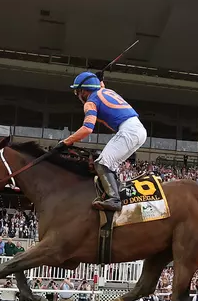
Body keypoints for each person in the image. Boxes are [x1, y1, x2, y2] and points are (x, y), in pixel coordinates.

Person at [60, 71, 148, 211]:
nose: (77, 96)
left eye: (77, 92)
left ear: (83, 91)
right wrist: (99, 79)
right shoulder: (105, 90)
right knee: (110, 164)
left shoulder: (90, 102)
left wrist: (66, 142)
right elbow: (100, 86)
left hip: (128, 131)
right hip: (139, 130)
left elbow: (87, 129)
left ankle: (114, 200)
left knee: (102, 163)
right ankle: (118, 195)